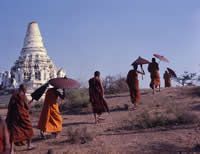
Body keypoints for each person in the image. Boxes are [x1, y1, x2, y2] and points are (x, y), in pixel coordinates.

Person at [6, 84, 34, 153]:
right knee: (29, 128)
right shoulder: (23, 96)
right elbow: (27, 107)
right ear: (24, 89)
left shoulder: (14, 95)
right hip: (22, 116)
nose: (26, 90)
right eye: (26, 89)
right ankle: (29, 145)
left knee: (13, 132)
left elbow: (10, 106)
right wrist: (32, 100)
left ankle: (11, 150)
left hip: (13, 116)